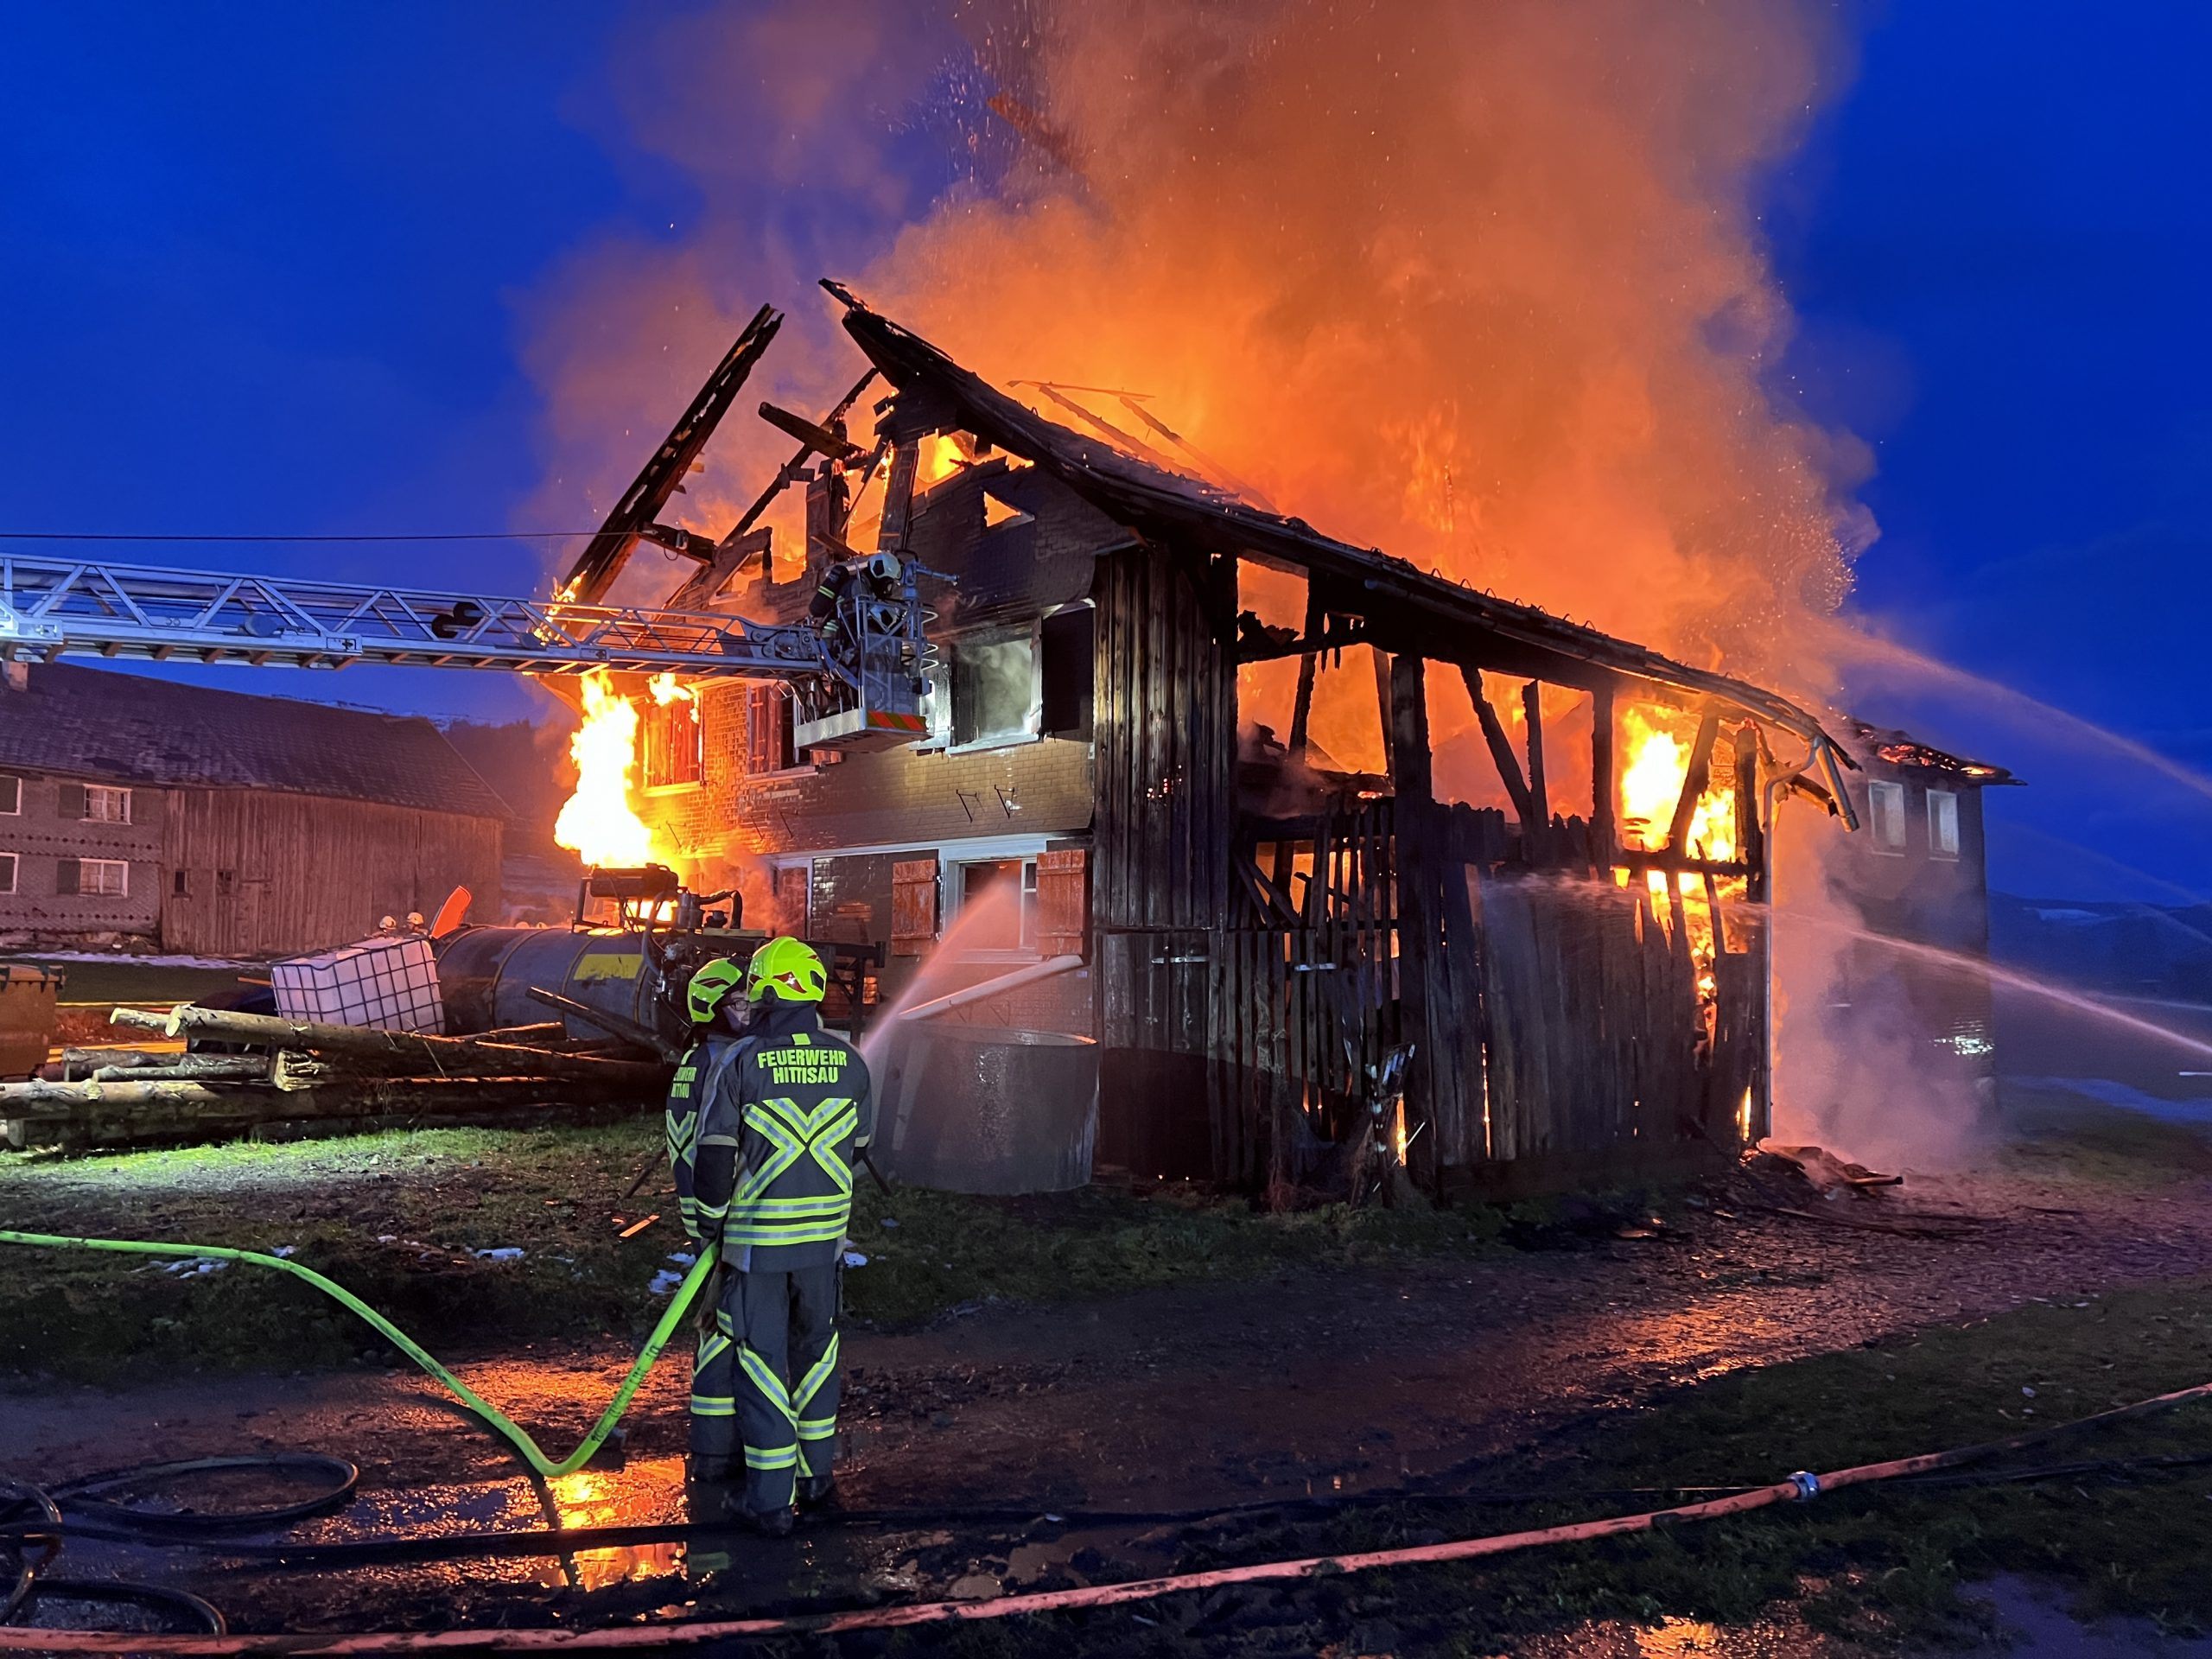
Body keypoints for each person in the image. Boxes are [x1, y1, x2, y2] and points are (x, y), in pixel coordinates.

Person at [665, 938, 873, 1535]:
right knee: (817, 1356)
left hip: (755, 1248)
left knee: (759, 1363)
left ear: (763, 990)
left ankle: (769, 1502)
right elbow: (860, 1150)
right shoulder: (852, 1062)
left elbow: (713, 1158)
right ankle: (816, 1479)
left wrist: (711, 1225)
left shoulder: (742, 1061)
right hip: (824, 1247)